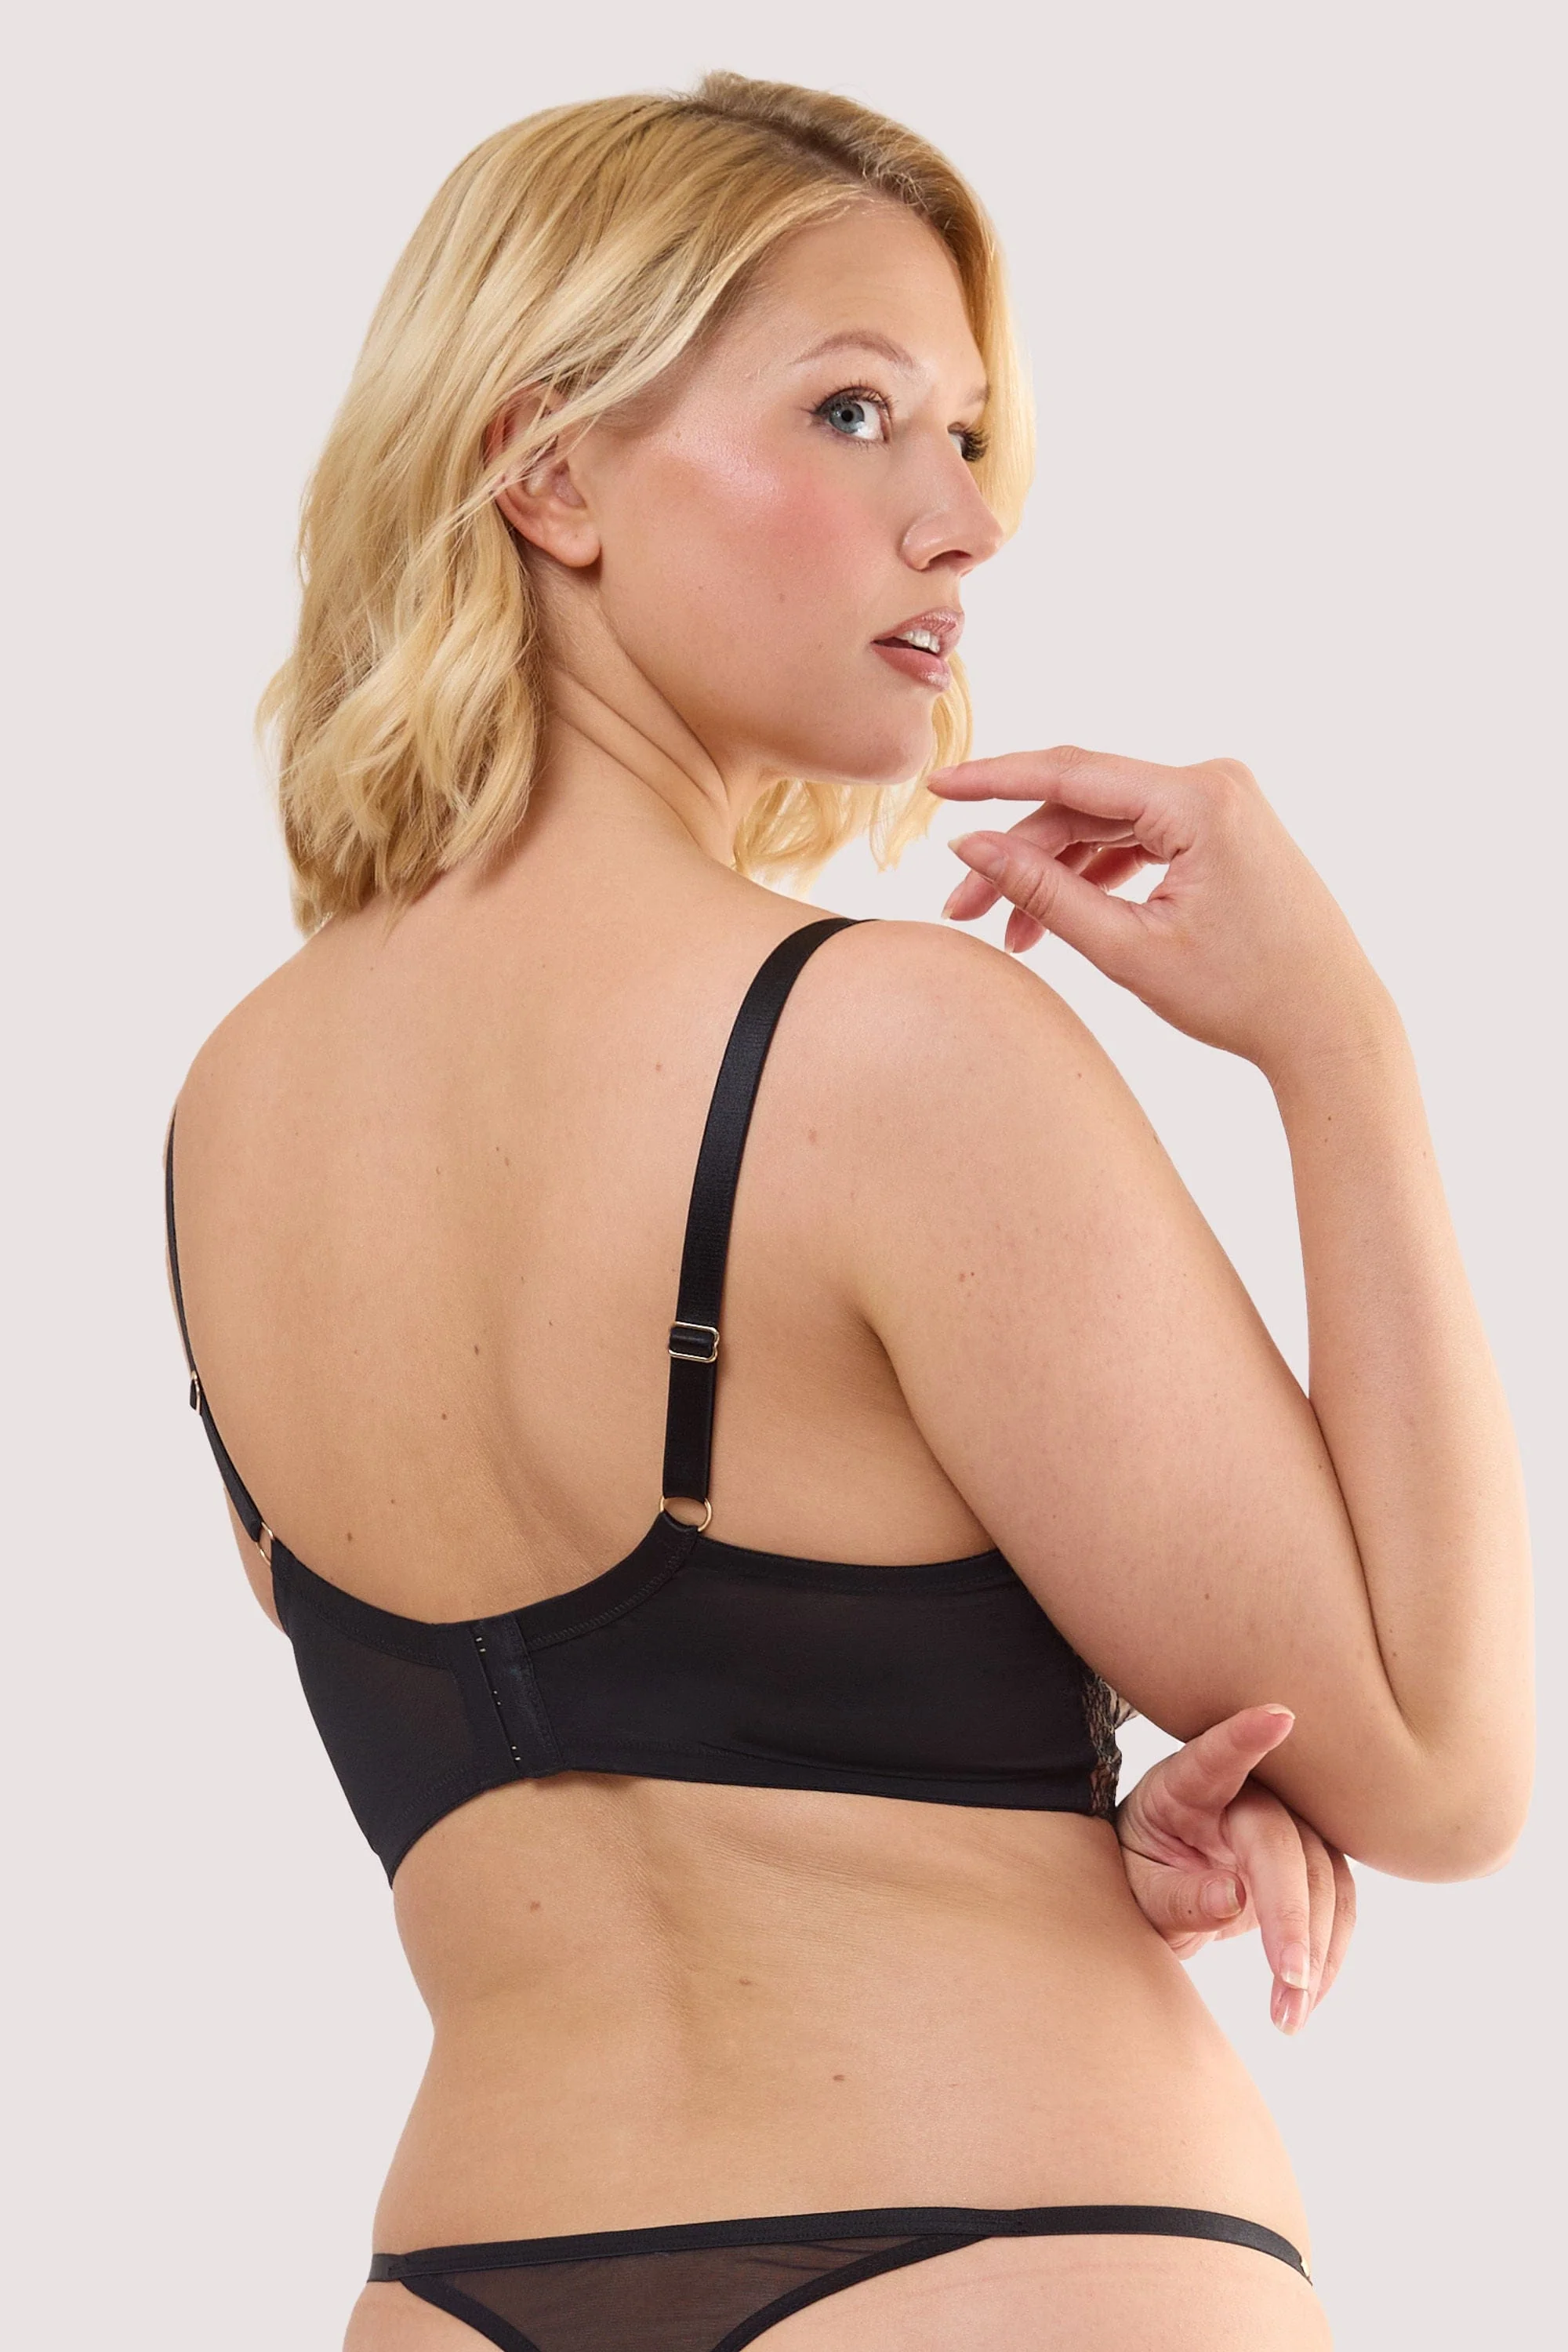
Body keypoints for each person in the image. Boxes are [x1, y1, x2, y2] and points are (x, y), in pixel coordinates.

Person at [162, 72, 1533, 2352]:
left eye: (968, 437)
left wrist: (1063, 1811)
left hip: (459, 2276)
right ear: (550, 472)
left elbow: (632, 1764)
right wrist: (1341, 1050)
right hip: (1006, 2241)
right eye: (854, 411)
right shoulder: (888, 1045)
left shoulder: (232, 1109)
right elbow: (1442, 1765)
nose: (962, 523)